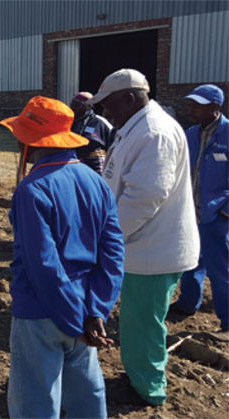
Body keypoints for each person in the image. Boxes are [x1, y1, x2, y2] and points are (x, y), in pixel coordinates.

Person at [0, 96, 124, 418]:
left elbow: (44, 265)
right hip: (86, 309)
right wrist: (96, 311)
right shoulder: (96, 183)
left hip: (42, 311)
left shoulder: (32, 190)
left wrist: (74, 318)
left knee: (36, 399)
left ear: (32, 139)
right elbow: (112, 253)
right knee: (86, 391)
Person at [87, 68, 200, 405]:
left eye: (108, 105)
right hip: (139, 246)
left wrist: (107, 240)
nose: (104, 112)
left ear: (131, 98)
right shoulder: (133, 128)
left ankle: (148, 389)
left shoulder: (155, 133)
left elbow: (143, 199)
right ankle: (141, 373)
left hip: (152, 249)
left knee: (144, 323)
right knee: (138, 321)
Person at [169, 84, 228, 334]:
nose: (191, 109)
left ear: (215, 107)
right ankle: (187, 304)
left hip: (217, 214)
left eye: (198, 105)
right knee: (190, 260)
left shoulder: (227, 134)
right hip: (190, 212)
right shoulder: (190, 133)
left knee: (220, 270)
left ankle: (227, 322)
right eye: (190, 103)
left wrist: (224, 211)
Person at [68, 91, 116, 174]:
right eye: (72, 104)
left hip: (96, 167)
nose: (72, 108)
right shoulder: (70, 122)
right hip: (75, 164)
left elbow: (114, 143)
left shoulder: (100, 122)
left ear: (87, 106)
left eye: (76, 105)